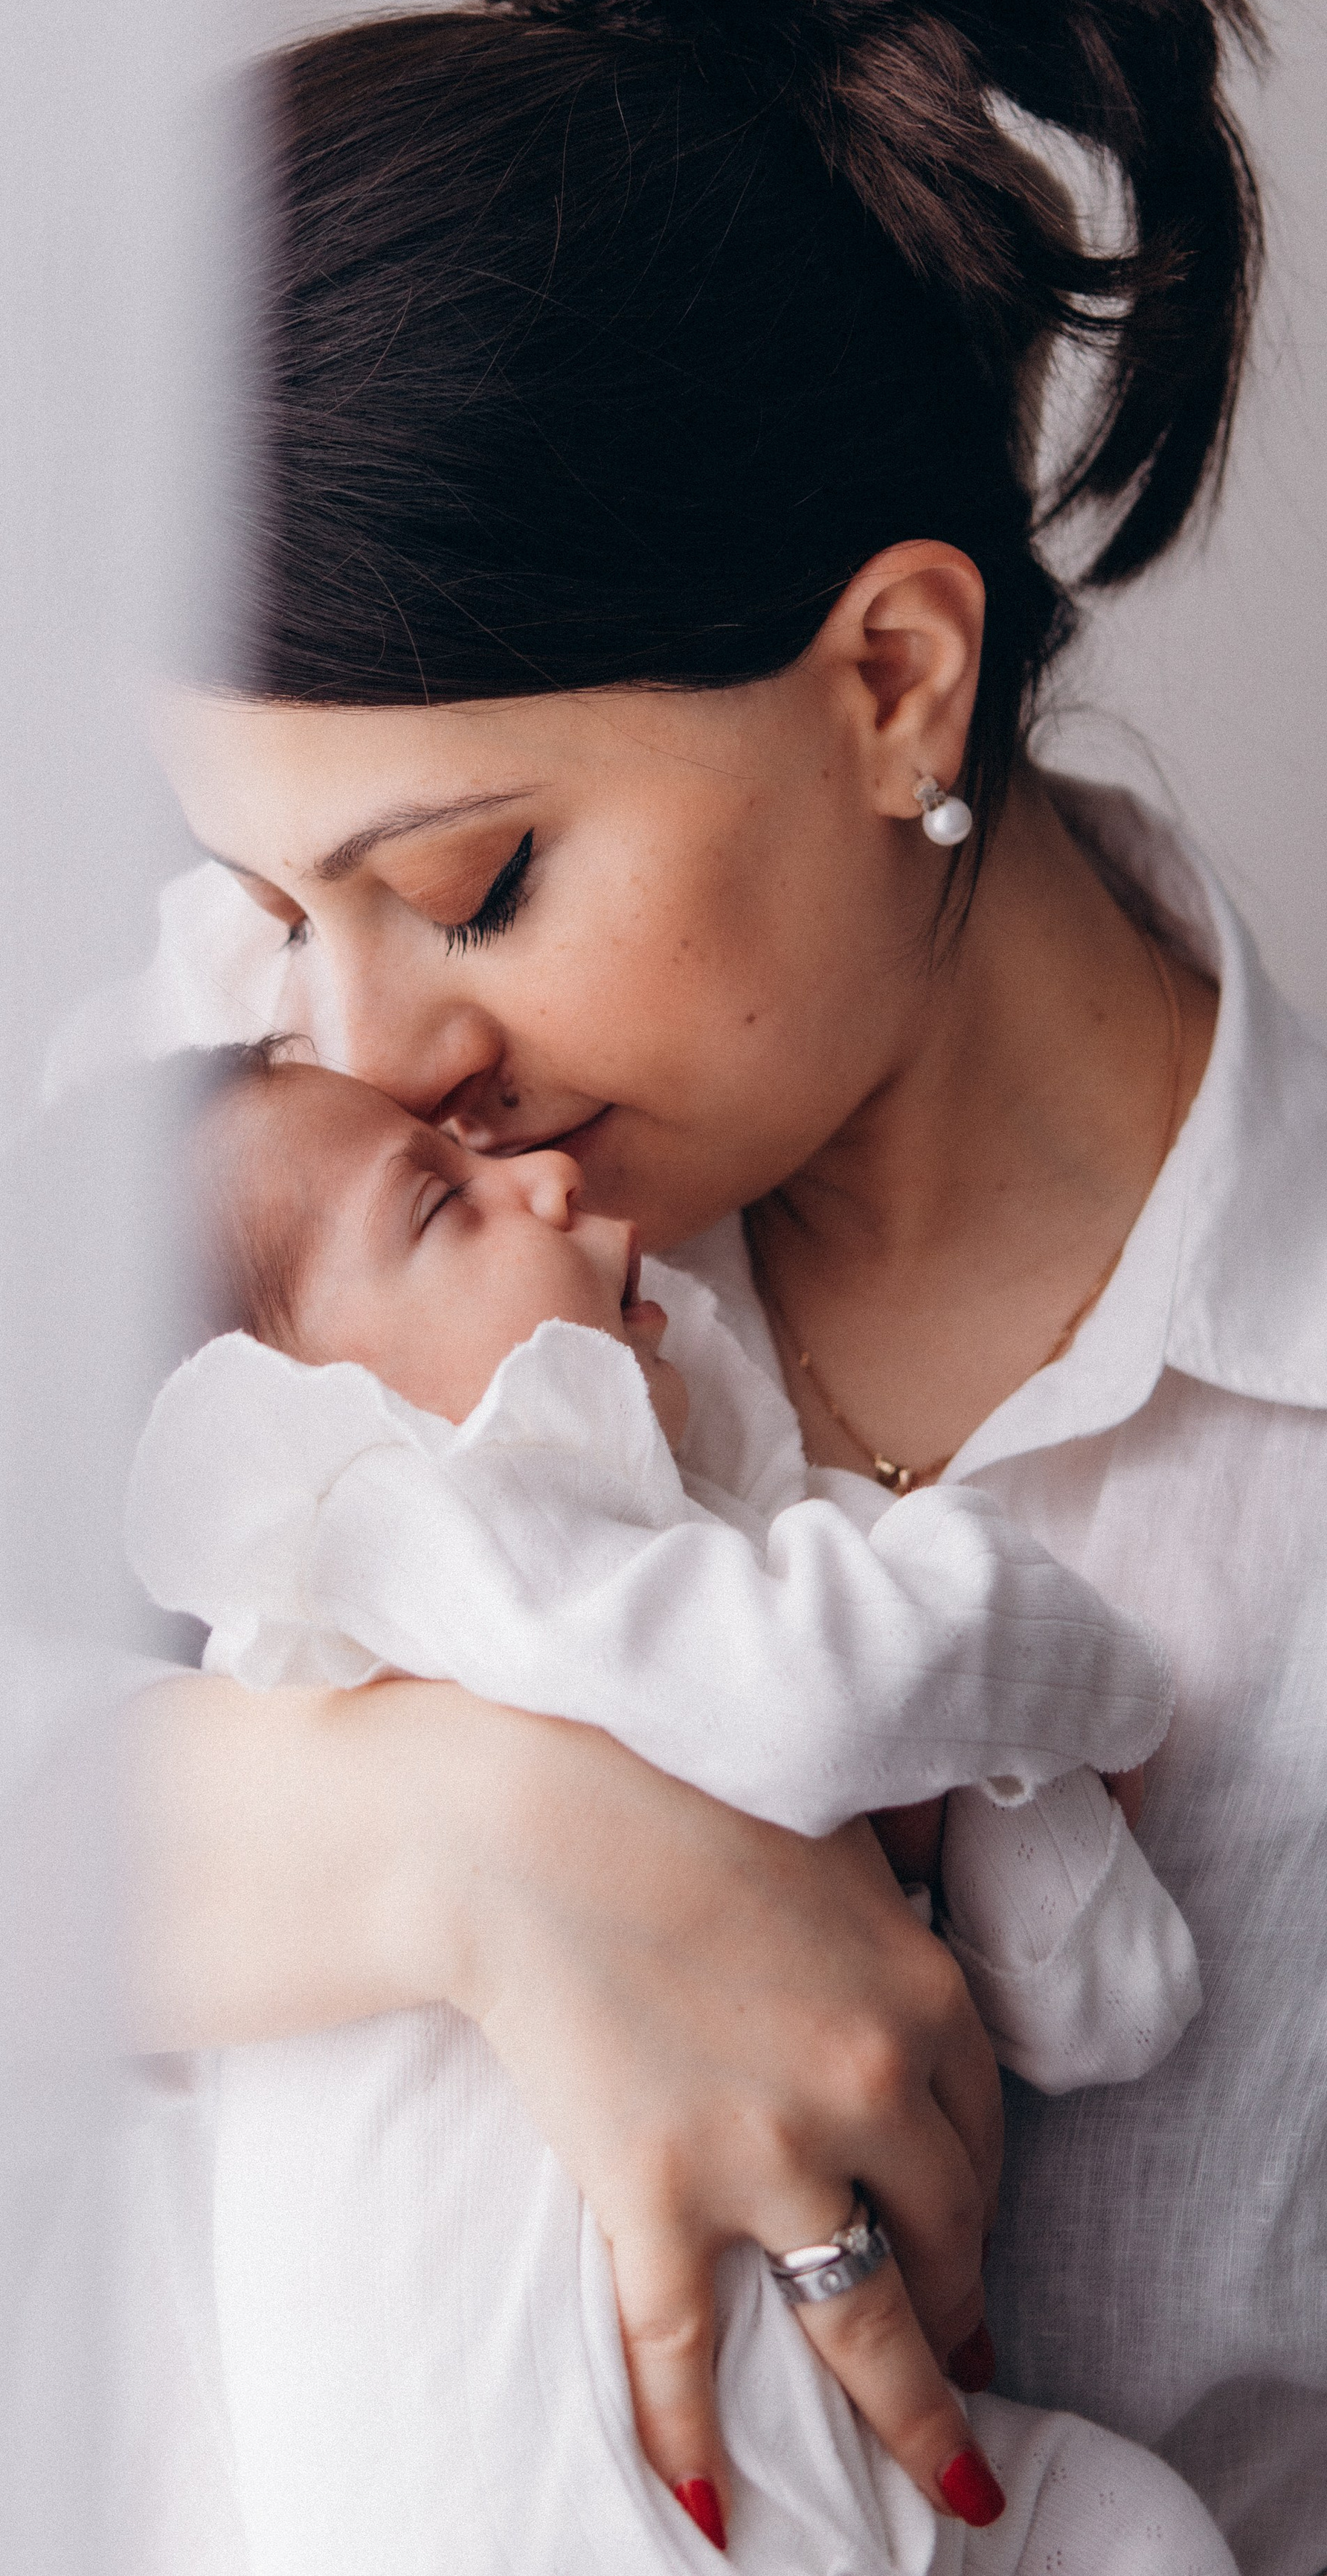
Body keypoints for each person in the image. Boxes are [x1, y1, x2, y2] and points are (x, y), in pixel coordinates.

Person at [115, 0, 1327, 2574]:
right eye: (273, 899)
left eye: (472, 886)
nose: (369, 1038)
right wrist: (475, 1851)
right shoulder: (258, 1134)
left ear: (891, 684)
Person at [121, 1041, 1221, 2569]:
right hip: (553, 2508)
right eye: (439, 1205)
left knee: (1128, 2527)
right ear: (279, 1425)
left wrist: (1012, 1798)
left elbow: (1107, 2000)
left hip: (820, 2470)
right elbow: (823, 1695)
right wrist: (1077, 1676)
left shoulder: (693, 1582)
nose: (541, 1176)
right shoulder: (413, 1533)